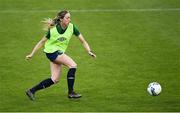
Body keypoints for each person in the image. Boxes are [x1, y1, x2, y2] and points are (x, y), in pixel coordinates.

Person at [25, 10, 96, 101]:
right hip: (52, 52)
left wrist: (89, 51)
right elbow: (42, 42)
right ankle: (71, 93)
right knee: (73, 65)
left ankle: (31, 91)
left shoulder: (72, 27)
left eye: (70, 17)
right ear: (61, 19)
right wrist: (32, 54)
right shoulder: (52, 30)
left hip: (56, 53)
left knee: (54, 79)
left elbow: (83, 41)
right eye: (67, 18)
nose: (69, 19)